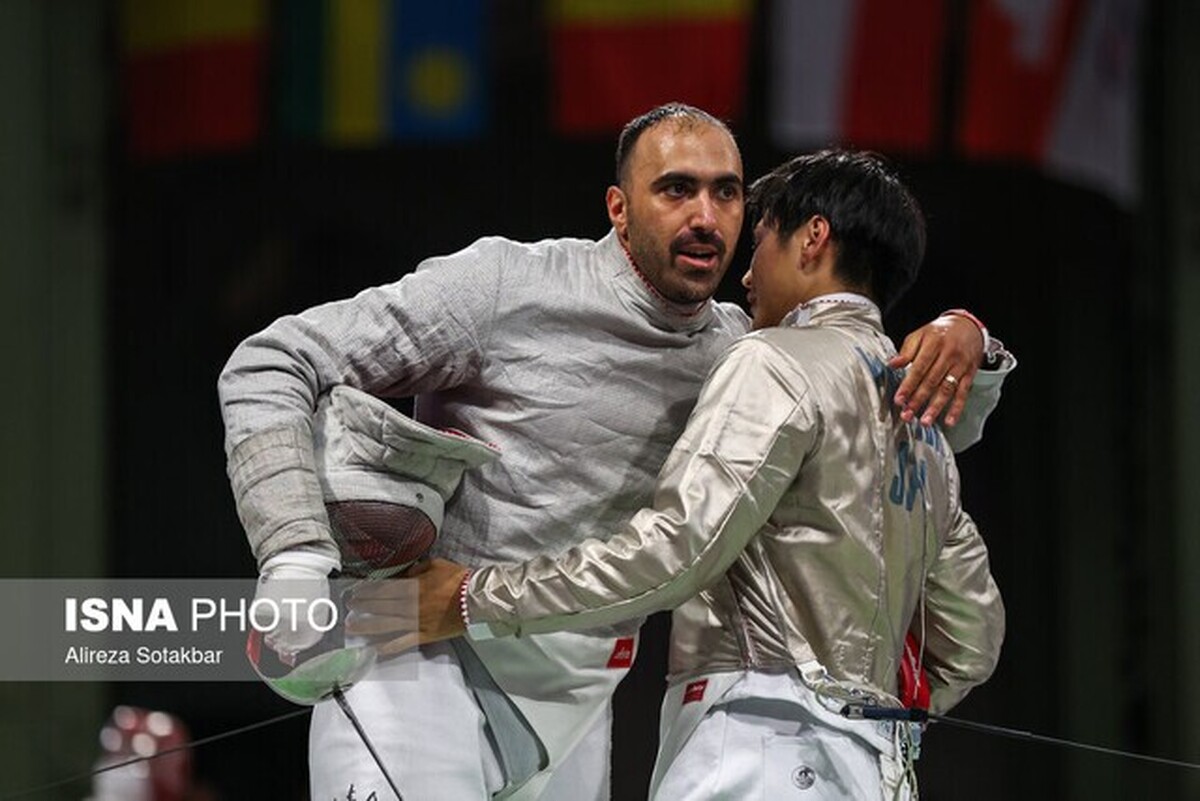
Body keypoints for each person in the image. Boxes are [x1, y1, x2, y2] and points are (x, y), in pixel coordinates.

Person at [218, 104, 1012, 800]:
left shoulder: (749, 353)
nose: (707, 216)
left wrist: (969, 337)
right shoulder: (506, 287)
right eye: (676, 190)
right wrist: (293, 553)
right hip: (424, 667)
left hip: (576, 711)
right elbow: (272, 359)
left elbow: (883, 434)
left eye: (728, 193)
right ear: (619, 209)